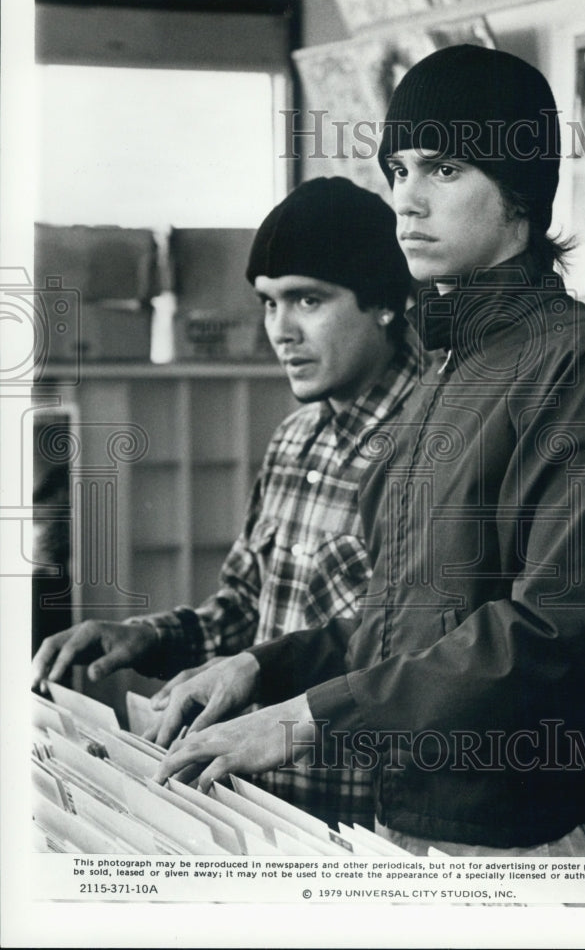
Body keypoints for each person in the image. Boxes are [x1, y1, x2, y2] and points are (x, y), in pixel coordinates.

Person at [154, 45, 585, 856]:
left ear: (519, 192)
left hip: (526, 844)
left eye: (442, 169)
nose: (405, 200)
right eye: (396, 170)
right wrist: (263, 667)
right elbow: (413, 618)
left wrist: (306, 719)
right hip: (408, 822)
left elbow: (554, 635)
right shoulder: (448, 367)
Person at [30, 176, 418, 829]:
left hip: (370, 829)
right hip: (265, 813)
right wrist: (143, 636)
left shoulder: (439, 443)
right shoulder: (294, 439)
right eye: (268, 305)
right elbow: (242, 610)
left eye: (307, 301)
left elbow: (418, 653)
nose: (280, 331)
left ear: (384, 302)